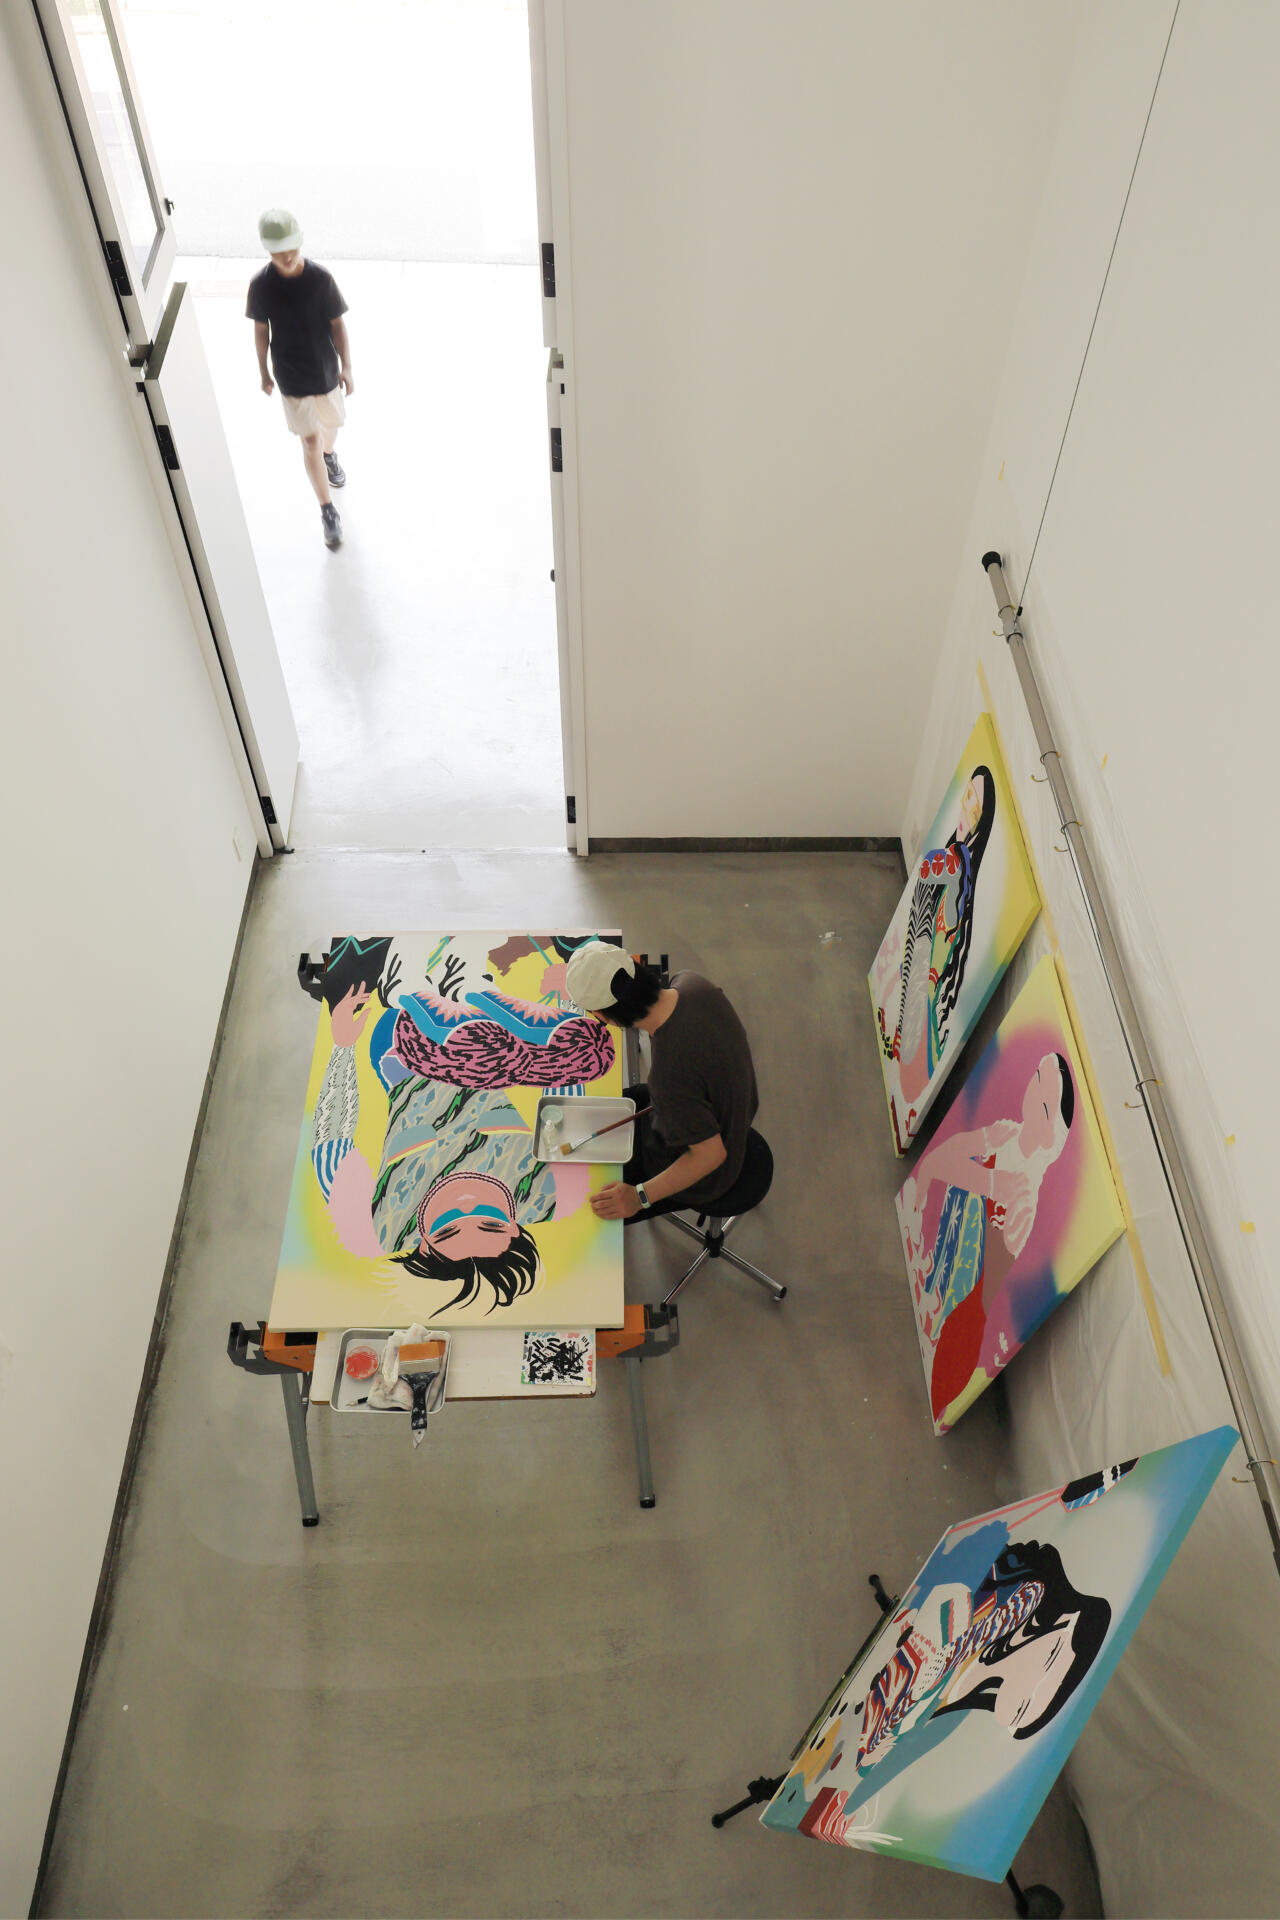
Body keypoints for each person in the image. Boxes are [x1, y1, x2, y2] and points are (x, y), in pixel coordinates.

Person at [562, 942, 759, 1221]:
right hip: (730, 1109)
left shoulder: (669, 1078)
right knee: (616, 1104)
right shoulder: (691, 982)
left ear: (605, 1016)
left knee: (588, 1201)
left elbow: (710, 1156)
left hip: (709, 1170)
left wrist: (638, 1197)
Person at [874, 764, 996, 1141]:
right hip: (917, 978)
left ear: (982, 821)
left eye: (975, 809)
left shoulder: (959, 872)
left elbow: (942, 937)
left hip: (925, 989)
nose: (966, 812)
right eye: (967, 798)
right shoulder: (950, 860)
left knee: (913, 1068)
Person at [246, 208, 353, 551]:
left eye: (291, 248)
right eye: (278, 251)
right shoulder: (261, 286)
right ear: (267, 249)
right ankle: (327, 511)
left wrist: (347, 366)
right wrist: (263, 371)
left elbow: (338, 325)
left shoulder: (321, 279)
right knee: (309, 441)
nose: (287, 256)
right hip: (290, 375)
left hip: (325, 369)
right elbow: (261, 331)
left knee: (330, 426)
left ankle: (329, 454)